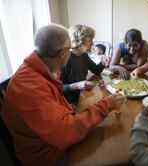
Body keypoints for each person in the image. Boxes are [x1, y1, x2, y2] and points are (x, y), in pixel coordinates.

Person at [2, 24, 125, 166]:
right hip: (46, 156)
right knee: (105, 152)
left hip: (52, 139)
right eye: (69, 49)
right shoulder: (28, 87)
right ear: (63, 53)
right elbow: (66, 133)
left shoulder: (39, 68)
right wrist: (106, 104)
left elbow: (55, 97)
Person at [61, 25, 109, 104]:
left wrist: (102, 63)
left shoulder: (84, 55)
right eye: (90, 40)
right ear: (79, 41)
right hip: (69, 102)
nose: (93, 43)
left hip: (82, 95)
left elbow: (96, 70)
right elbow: (58, 88)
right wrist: (77, 85)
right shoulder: (65, 59)